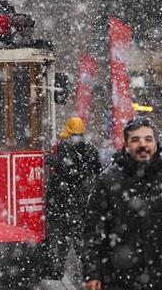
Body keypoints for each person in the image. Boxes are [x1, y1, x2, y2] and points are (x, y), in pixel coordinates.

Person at [82, 117, 162, 290]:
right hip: (119, 279)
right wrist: (93, 273)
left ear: (156, 143)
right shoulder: (107, 181)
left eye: (148, 139)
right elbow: (94, 232)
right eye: (135, 140)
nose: (143, 144)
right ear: (126, 145)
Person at [45, 116, 101, 279]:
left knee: (61, 239)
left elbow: (64, 168)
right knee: (80, 239)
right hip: (81, 200)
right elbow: (98, 169)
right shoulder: (90, 147)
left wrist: (52, 161)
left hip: (63, 201)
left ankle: (57, 271)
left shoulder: (63, 146)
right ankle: (89, 271)